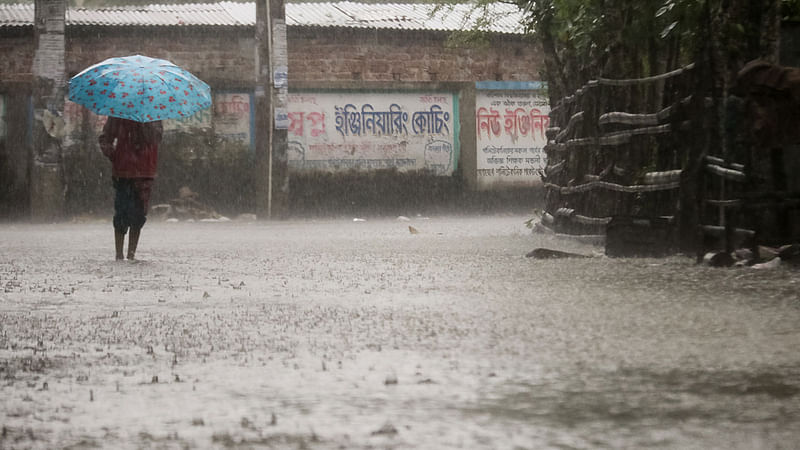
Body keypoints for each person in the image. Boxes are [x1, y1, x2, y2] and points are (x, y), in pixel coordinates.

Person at [98, 117, 163, 261]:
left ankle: (131, 254)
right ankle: (119, 254)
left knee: (139, 214)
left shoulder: (152, 116)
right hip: (123, 171)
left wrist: (144, 126)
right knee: (122, 211)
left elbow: (156, 138)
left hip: (145, 171)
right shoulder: (119, 114)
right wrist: (113, 154)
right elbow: (105, 137)